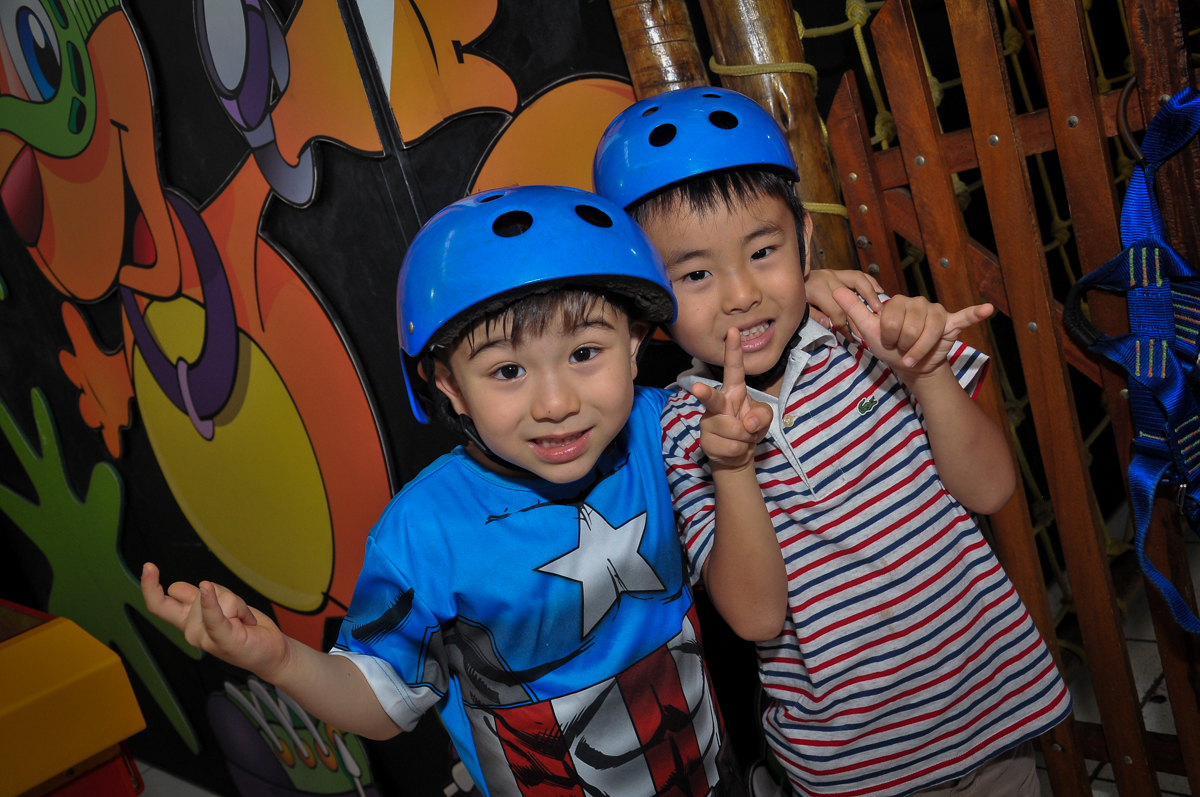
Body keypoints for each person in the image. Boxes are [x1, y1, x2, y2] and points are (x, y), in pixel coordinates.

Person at [141, 185, 752, 797]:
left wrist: (818, 291)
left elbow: (780, 380)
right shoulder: (424, 532)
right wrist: (275, 659)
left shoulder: (666, 425)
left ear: (636, 343)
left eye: (585, 352)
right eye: (507, 371)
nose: (557, 404)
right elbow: (382, 703)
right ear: (449, 386)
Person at [594, 88, 1072, 797]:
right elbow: (757, 616)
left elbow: (992, 489)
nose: (741, 292)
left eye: (764, 251)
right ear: (649, 299)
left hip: (990, 728)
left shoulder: (872, 335)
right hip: (851, 770)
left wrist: (928, 370)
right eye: (695, 274)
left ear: (806, 242)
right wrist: (731, 467)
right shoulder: (685, 429)